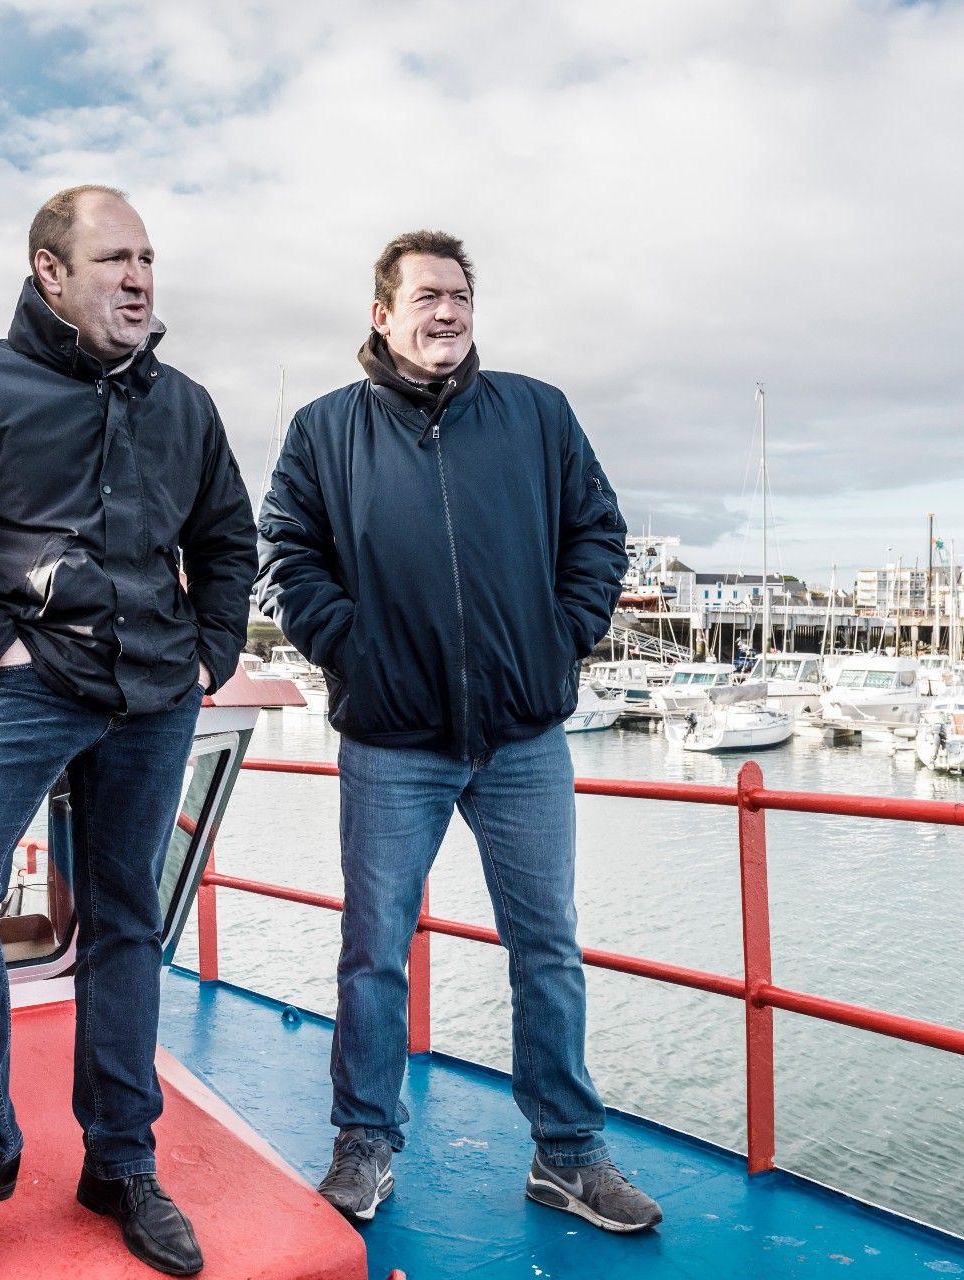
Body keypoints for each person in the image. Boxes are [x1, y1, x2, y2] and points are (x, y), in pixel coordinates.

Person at [0, 184, 256, 1277]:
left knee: (125, 918)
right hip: (26, 683)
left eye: (148, 260)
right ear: (50, 272)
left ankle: (122, 1158)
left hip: (155, 694)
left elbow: (227, 541)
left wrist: (211, 649)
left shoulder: (187, 407)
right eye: (115, 258)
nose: (138, 279)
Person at [255, 231, 660, 1232]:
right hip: (393, 737)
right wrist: (357, 652)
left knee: (547, 948)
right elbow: (286, 557)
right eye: (428, 295)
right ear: (382, 313)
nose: (448, 311)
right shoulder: (324, 430)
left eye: (462, 295)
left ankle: (568, 1154)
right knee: (374, 947)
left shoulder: (536, 411)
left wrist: (556, 639)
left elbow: (599, 533)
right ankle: (364, 1143)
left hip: (521, 734)